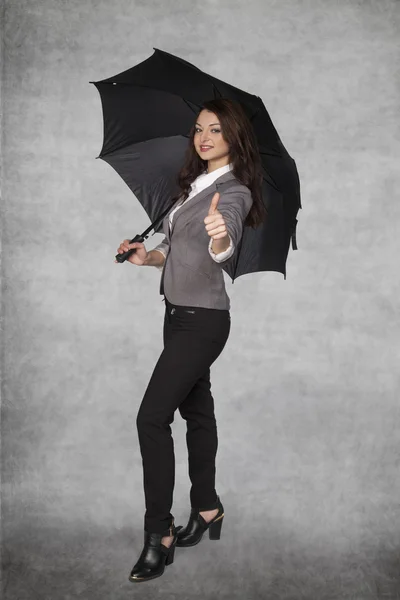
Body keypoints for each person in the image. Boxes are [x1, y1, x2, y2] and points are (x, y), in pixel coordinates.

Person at [115, 98, 265, 583]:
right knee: (196, 411)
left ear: (233, 137)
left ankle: (157, 534)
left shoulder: (234, 190)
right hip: (176, 316)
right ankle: (207, 507)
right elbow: (173, 250)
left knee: (150, 417)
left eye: (216, 130)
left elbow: (224, 246)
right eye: (199, 128)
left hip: (203, 322)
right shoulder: (190, 188)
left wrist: (222, 236)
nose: (204, 137)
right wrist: (147, 258)